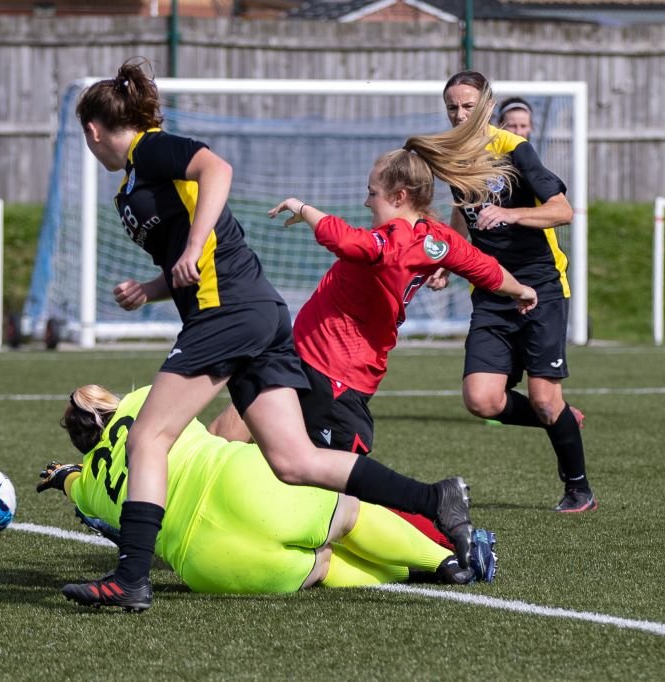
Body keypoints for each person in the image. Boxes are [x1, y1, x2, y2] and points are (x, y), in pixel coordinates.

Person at [63, 56, 483, 612]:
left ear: (93, 130)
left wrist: (190, 249)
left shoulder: (150, 148)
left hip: (229, 313)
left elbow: (218, 170)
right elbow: (198, 252)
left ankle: (130, 579)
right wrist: (150, 287)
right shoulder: (135, 181)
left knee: (147, 438)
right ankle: (436, 498)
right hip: (253, 312)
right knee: (293, 461)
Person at [207, 88, 538, 550]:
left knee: (349, 492)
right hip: (305, 360)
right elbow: (487, 270)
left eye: (372, 193)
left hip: (337, 378)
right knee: (227, 431)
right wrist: (521, 289)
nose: (366, 202)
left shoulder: (393, 242)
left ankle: (444, 541)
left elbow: (348, 242)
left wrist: (302, 208)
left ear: (399, 195)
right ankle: (168, 505)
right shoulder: (437, 238)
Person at [38, 385, 497, 606]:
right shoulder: (139, 402)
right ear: (107, 404)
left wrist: (62, 476)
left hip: (209, 564)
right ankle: (447, 563)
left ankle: (414, 573)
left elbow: (72, 482)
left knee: (323, 564)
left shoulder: (90, 492)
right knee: (348, 514)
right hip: (240, 485)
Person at [428, 70, 596, 513]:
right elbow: (464, 214)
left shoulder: (514, 149)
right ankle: (560, 418)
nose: (459, 114)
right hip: (491, 290)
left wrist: (513, 215)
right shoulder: (454, 157)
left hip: (540, 287)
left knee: (543, 397)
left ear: (486, 104)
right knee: (481, 400)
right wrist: (447, 261)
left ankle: (579, 487)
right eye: (452, 107)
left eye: (467, 106)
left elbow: (562, 211)